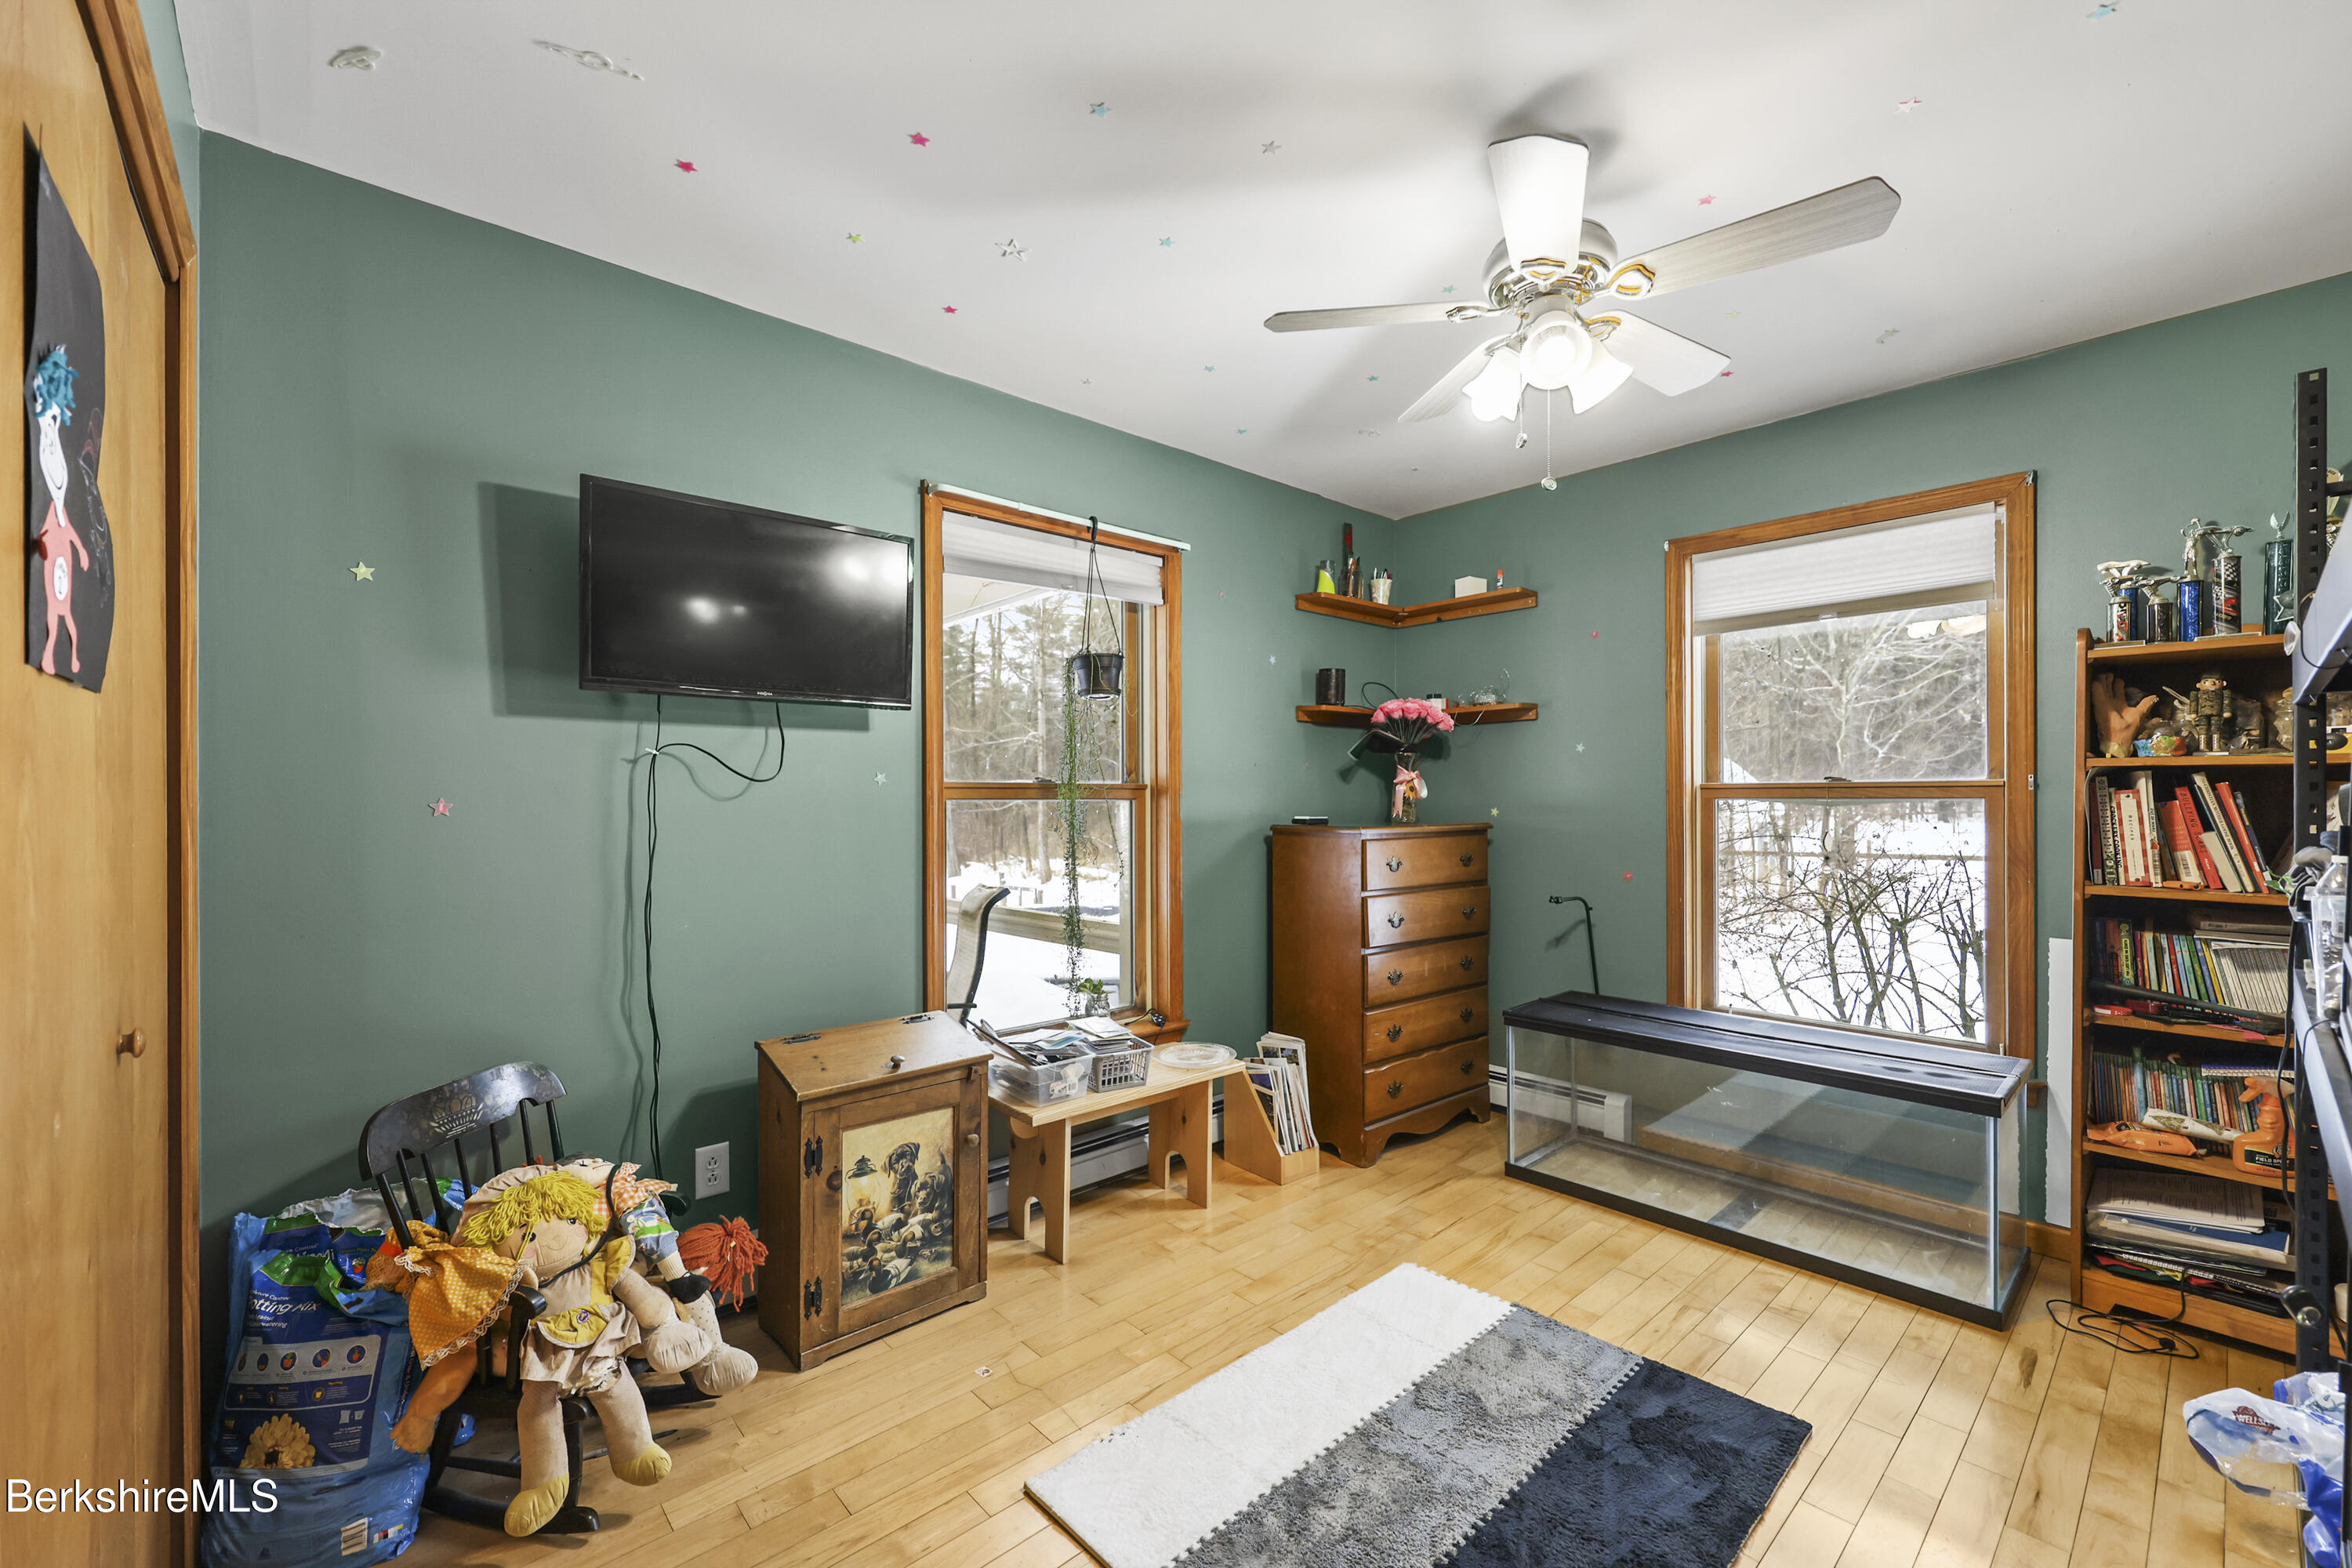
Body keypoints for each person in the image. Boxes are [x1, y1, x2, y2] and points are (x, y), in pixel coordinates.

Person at [29, 347, 88, 677]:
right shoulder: (56, 514)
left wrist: (79, 550)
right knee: (60, 623)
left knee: (66, 624)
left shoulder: (59, 515)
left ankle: (66, 657)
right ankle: (57, 657)